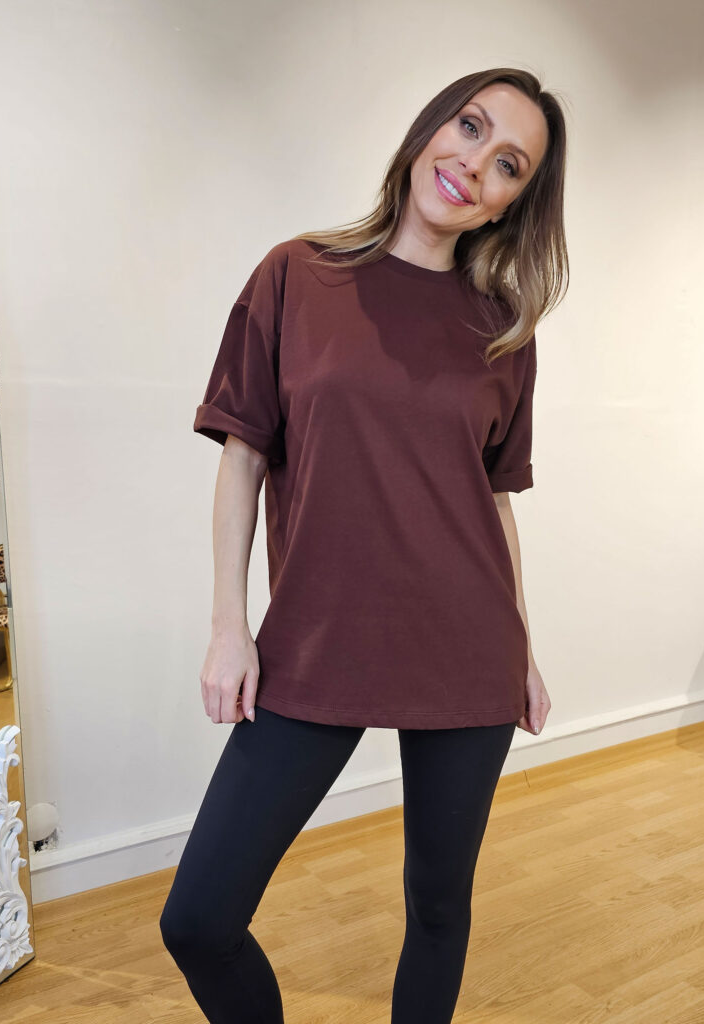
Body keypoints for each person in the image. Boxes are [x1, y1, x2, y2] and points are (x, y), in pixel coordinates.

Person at [160, 67, 568, 1023]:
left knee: (439, 908)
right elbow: (243, 455)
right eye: (470, 127)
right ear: (430, 127)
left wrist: (523, 646)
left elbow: (495, 502)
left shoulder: (504, 331)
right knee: (200, 920)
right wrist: (229, 626)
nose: (475, 164)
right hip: (316, 641)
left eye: (509, 164)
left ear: (512, 203)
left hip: (467, 649)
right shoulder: (296, 275)